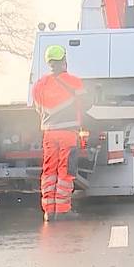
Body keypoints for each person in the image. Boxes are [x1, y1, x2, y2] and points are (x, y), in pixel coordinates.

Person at [31, 45, 86, 221]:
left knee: (49, 171)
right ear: (63, 61)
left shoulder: (40, 85)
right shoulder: (74, 82)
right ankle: (62, 210)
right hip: (68, 133)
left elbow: (38, 109)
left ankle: (49, 211)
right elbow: (85, 103)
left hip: (49, 132)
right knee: (65, 171)